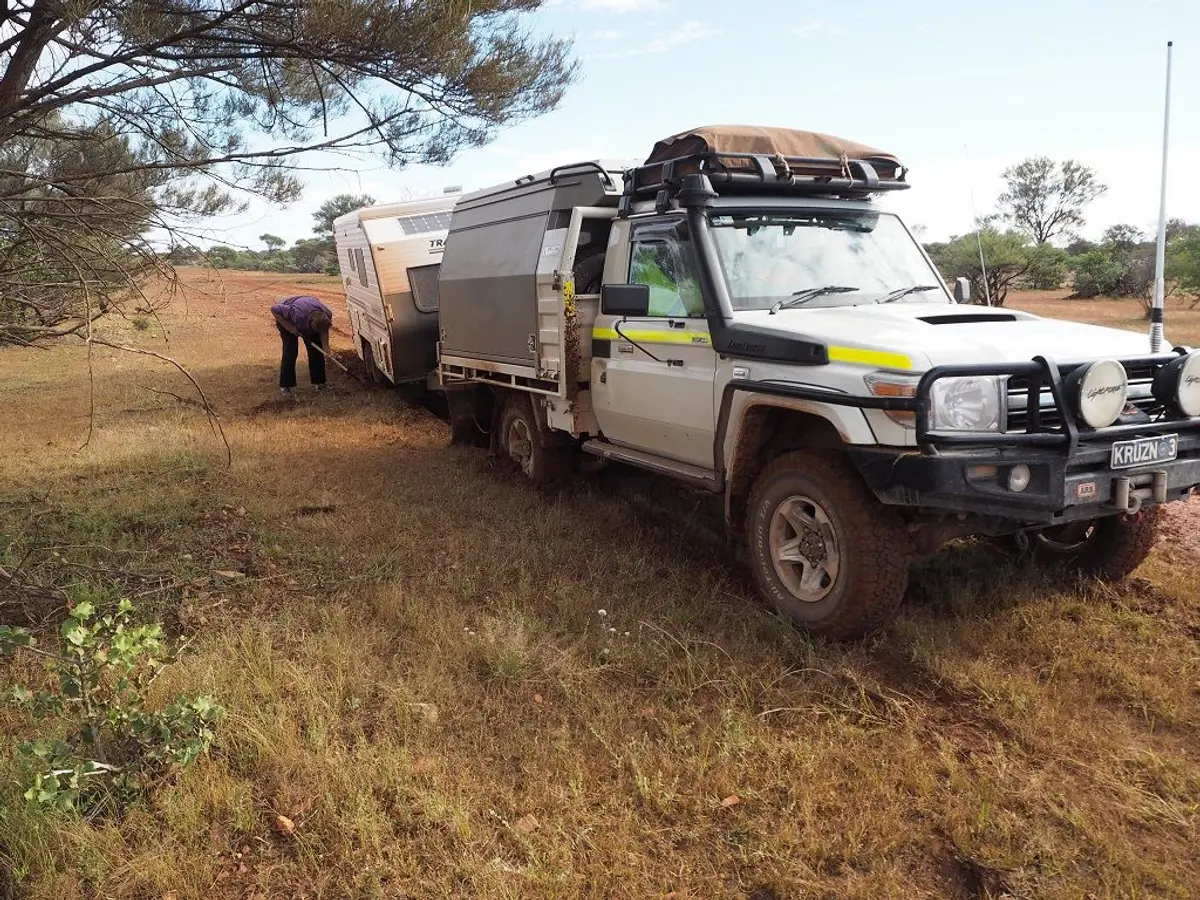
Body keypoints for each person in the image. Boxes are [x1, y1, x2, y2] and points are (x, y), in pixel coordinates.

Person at [270, 295, 333, 396]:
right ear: (312, 326)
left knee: (317, 351)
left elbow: (324, 331)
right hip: (288, 321)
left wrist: (326, 348)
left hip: (309, 311)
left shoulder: (327, 314)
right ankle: (285, 386)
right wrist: (289, 327)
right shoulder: (296, 315)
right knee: (290, 352)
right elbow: (274, 309)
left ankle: (320, 383)